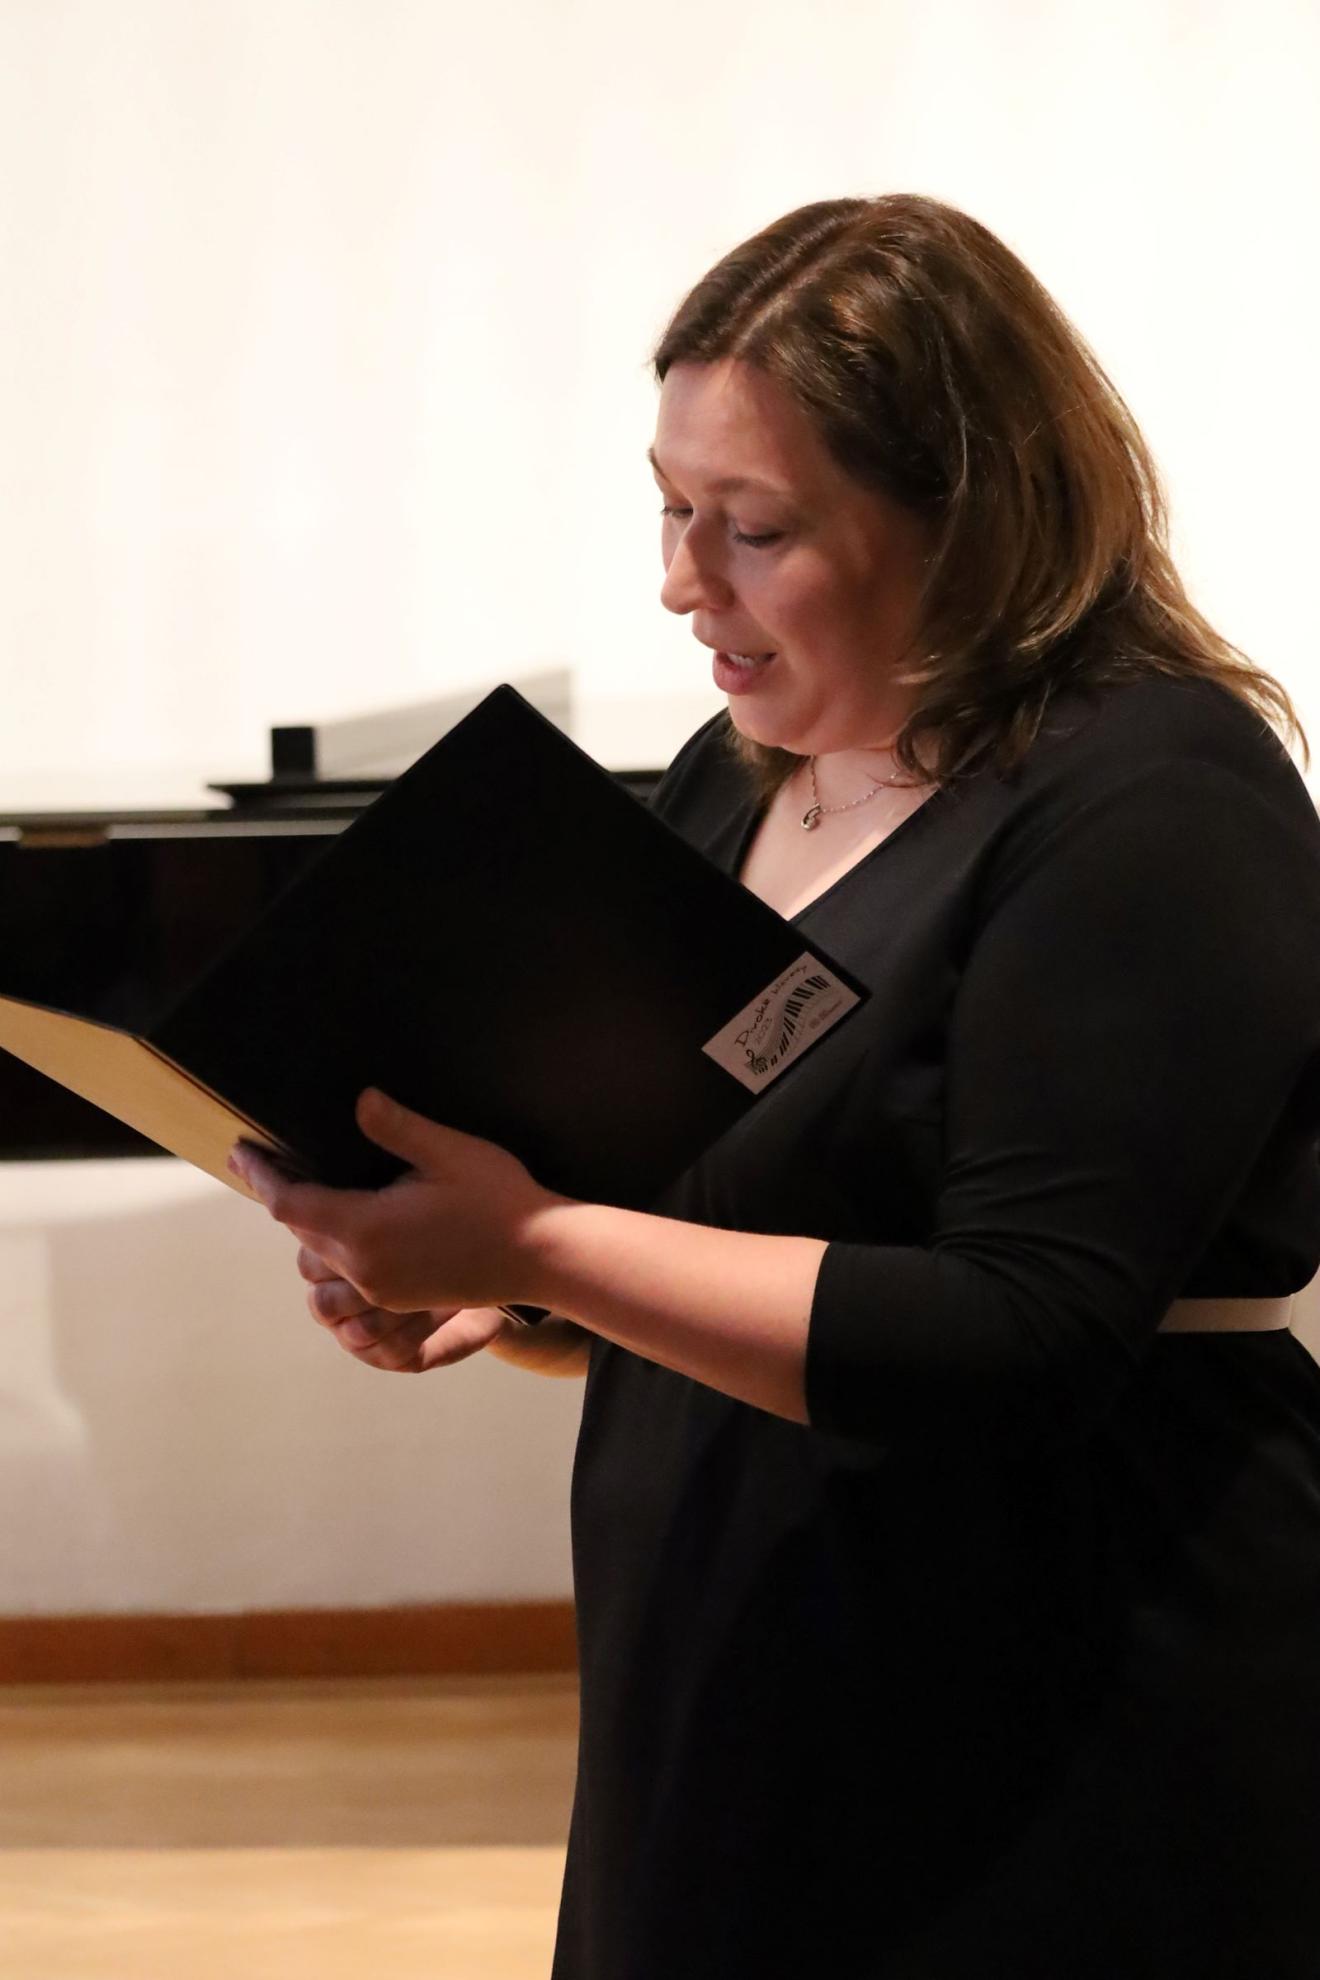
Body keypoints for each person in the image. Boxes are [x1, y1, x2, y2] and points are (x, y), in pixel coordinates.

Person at [230, 195, 1320, 1978]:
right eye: (669, 509)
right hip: (733, 1679)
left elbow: (1026, 1330)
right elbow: (687, 1216)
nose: (683, 581)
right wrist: (494, 1289)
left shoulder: (1155, 797)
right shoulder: (731, 779)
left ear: (967, 518)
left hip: (1055, 1698)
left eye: (753, 528)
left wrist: (542, 1248)